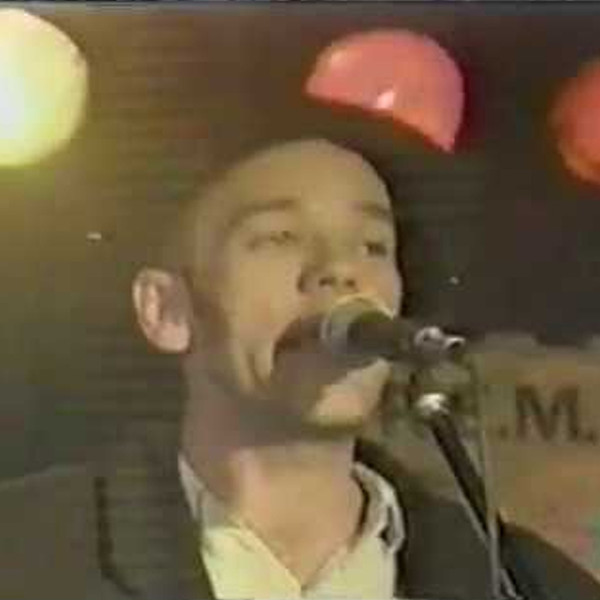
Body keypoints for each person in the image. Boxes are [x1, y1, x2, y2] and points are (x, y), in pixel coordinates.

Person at [1, 138, 599, 600]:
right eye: (279, 237)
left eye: (372, 246)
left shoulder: (528, 583)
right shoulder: (28, 550)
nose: (341, 271)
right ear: (167, 310)